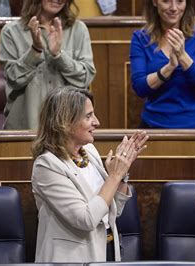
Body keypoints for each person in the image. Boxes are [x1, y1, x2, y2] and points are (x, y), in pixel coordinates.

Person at [31, 87, 148, 262]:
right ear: (66, 122)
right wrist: (114, 176)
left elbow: (111, 212)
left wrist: (122, 173)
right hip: (72, 259)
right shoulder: (47, 166)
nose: (97, 122)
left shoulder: (89, 151)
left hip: (106, 249)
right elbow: (85, 219)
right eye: (88, 116)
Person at [0, 0, 96, 130]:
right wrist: (35, 50)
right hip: (26, 129)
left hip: (68, 131)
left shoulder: (78, 30)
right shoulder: (11, 32)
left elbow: (85, 77)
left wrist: (58, 56)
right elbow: (13, 78)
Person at [130, 0, 195, 129]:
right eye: (166, 1)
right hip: (153, 126)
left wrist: (182, 56)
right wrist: (169, 68)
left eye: (180, 1)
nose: (174, 8)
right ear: (155, 2)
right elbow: (139, 87)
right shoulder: (140, 38)